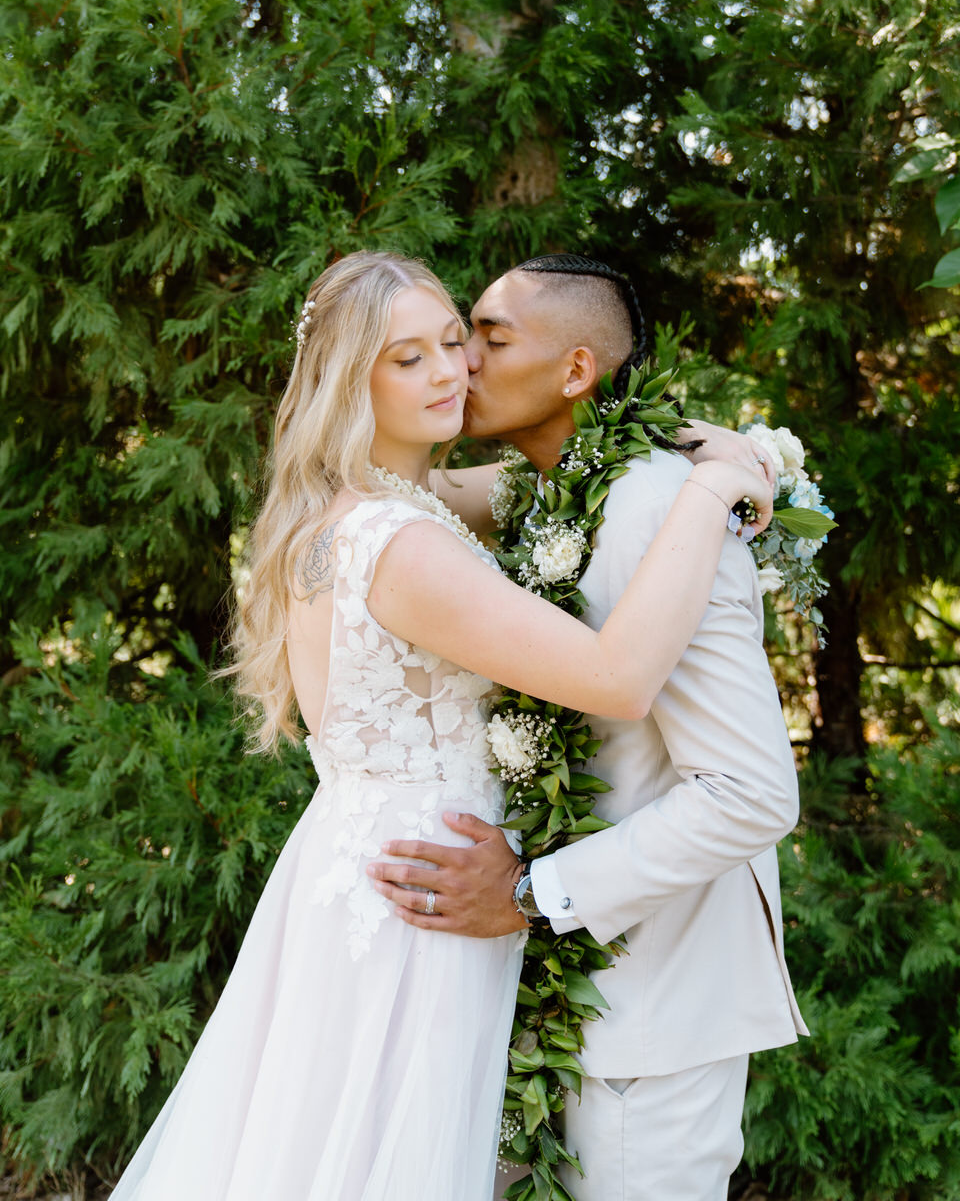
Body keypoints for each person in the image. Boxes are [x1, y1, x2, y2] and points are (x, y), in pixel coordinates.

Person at [106, 251, 774, 1201]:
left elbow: (541, 482)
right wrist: (718, 487)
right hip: (424, 887)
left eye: (457, 343)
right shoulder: (400, 541)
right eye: (405, 359)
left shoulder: (376, 507)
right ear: (352, 380)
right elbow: (616, 678)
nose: (450, 373)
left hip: (377, 867)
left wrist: (676, 447)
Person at [368, 254, 808, 1201]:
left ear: (575, 372)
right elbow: (378, 496)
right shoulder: (538, 497)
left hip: (652, 1016)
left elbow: (754, 792)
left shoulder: (659, 505)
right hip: (537, 999)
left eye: (486, 337)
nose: (461, 363)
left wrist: (531, 891)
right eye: (445, 343)